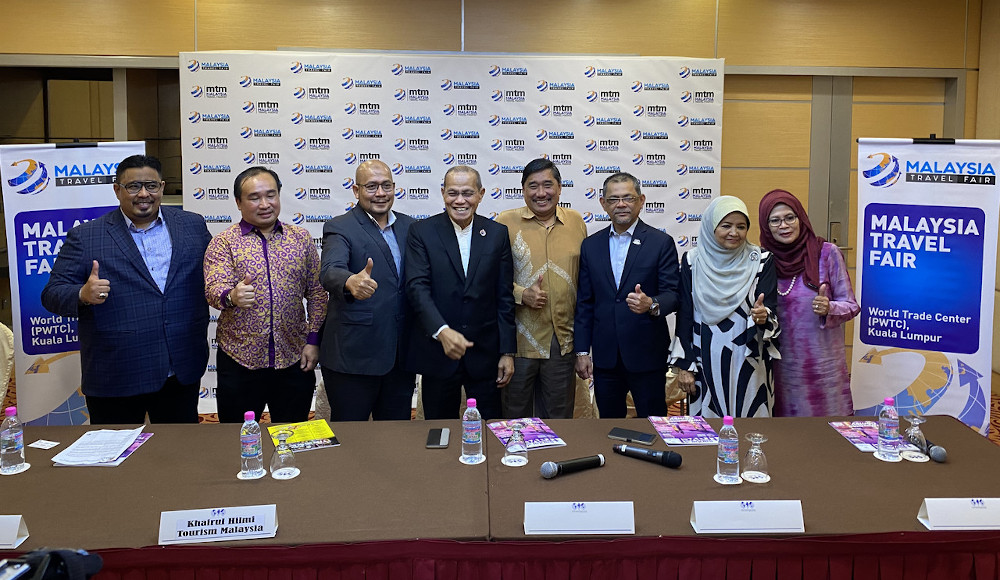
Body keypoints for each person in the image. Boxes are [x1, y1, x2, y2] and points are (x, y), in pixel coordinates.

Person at [41, 154, 212, 424]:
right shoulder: (86, 236)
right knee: (114, 461)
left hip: (179, 369)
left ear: (162, 188)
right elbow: (51, 294)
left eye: (151, 186)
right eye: (133, 186)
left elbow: (215, 275)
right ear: (117, 190)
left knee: (180, 457)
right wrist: (82, 295)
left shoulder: (192, 225)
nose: (143, 193)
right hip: (117, 373)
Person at [203, 166, 326, 423]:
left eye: (271, 195)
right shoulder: (224, 242)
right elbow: (213, 289)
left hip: (294, 359)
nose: (264, 204)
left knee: (293, 438)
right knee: (236, 439)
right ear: (238, 202)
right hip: (240, 362)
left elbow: (316, 293)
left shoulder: (301, 239)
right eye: (254, 197)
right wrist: (232, 296)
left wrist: (313, 340)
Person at [405, 165, 516, 420]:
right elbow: (417, 288)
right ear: (443, 193)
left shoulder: (497, 234)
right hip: (438, 354)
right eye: (452, 192)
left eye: (467, 192)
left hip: (486, 357)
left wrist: (507, 352)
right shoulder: (421, 232)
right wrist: (442, 332)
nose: (460, 200)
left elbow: (504, 297)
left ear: (481, 194)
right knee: (440, 433)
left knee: (490, 431)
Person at [574, 172, 680, 418]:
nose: (621, 204)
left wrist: (651, 304)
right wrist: (581, 352)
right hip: (605, 357)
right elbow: (585, 303)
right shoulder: (591, 245)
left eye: (627, 198)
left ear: (641, 201)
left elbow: (673, 294)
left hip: (646, 353)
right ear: (603, 203)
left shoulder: (660, 242)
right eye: (613, 199)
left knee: (652, 423)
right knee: (609, 427)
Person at [320, 159, 416, 421]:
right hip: (353, 357)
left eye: (386, 185)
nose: (381, 193)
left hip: (399, 358)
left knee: (395, 439)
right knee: (352, 439)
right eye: (371, 186)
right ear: (356, 190)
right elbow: (330, 269)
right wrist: (350, 282)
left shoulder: (411, 227)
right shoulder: (340, 227)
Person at [496, 159, 588, 419]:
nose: (541, 193)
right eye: (532, 186)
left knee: (558, 418)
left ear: (559, 188)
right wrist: (521, 294)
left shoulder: (576, 222)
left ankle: (555, 460)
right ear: (522, 190)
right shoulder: (505, 222)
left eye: (548, 185)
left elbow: (585, 278)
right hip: (518, 341)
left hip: (562, 341)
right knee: (514, 416)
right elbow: (491, 275)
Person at [673, 195, 780, 418]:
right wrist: (686, 365)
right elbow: (685, 314)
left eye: (741, 227)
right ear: (712, 226)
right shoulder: (692, 261)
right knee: (706, 428)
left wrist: (763, 316)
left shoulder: (761, 259)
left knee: (752, 422)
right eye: (726, 225)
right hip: (705, 357)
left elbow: (770, 307)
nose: (734, 232)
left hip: (749, 357)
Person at [758, 189, 860, 416]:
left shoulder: (826, 253)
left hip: (823, 368)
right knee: (787, 434)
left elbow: (851, 305)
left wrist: (829, 307)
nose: (784, 225)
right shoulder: (762, 260)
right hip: (782, 368)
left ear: (801, 218)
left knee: (827, 433)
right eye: (775, 221)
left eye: (789, 218)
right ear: (766, 226)